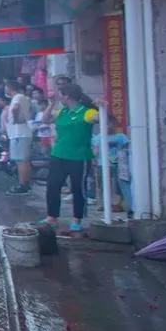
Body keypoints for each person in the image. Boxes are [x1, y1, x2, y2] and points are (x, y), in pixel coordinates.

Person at [42, 83, 102, 233]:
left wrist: (101, 108)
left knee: (78, 188)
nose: (59, 97)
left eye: (60, 95)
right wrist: (51, 103)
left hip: (79, 157)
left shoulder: (86, 112)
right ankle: (52, 217)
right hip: (58, 154)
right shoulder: (62, 112)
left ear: (67, 96)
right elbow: (45, 119)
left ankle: (77, 219)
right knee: (53, 186)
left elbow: (98, 118)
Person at [5, 79, 34, 194]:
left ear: (10, 87)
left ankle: (22, 185)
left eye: (6, 87)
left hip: (19, 134)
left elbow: (15, 108)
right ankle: (25, 183)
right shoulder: (23, 98)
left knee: (20, 161)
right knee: (24, 161)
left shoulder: (18, 97)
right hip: (21, 133)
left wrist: (16, 118)